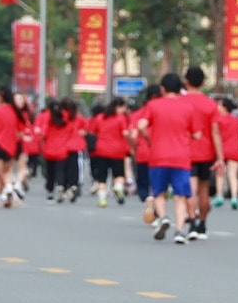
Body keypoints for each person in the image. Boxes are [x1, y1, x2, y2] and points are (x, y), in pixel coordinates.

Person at [138, 76, 195, 243]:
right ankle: (180, 231)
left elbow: (141, 126)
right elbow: (196, 133)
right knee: (180, 196)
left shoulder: (153, 105)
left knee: (159, 192)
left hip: (158, 156)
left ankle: (163, 217)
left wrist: (148, 139)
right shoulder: (187, 107)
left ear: (162, 89)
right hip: (181, 158)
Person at [178, 67, 222, 238]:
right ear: (203, 82)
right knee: (204, 190)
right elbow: (216, 132)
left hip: (185, 152)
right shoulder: (210, 104)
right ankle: (203, 224)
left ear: (186, 81)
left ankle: (192, 221)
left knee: (190, 189)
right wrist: (220, 157)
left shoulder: (180, 102)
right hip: (206, 153)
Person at [88, 99, 133, 207]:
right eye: (123, 107)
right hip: (117, 151)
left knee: (101, 178)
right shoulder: (120, 118)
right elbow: (125, 133)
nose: (124, 110)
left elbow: (92, 132)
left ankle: (102, 199)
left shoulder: (100, 117)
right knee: (119, 175)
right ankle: (117, 188)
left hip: (101, 151)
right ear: (118, 107)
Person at [213, 96, 238, 209]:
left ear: (224, 107)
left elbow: (215, 134)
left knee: (220, 174)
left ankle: (220, 196)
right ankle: (234, 197)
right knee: (233, 175)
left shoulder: (218, 120)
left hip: (221, 150)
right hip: (234, 149)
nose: (217, 107)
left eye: (219, 105)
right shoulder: (236, 120)